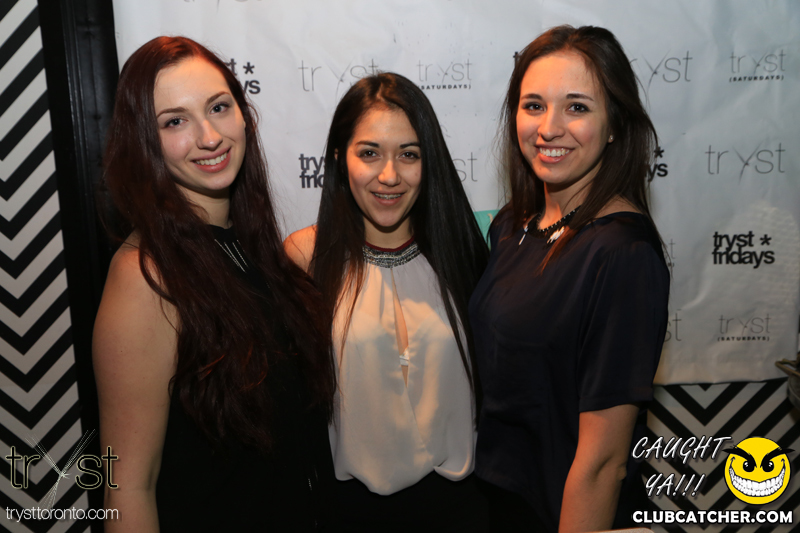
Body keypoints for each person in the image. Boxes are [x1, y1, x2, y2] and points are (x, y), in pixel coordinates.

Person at [93, 36, 336, 532]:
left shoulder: (252, 247)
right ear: (144, 141)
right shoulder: (145, 275)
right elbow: (128, 487)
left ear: (243, 115)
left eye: (218, 107)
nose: (209, 137)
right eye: (174, 121)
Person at [469, 25, 670, 532]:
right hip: (499, 504)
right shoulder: (512, 225)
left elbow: (603, 463)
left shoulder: (622, 254)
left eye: (576, 107)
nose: (549, 128)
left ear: (615, 124)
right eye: (533, 105)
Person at [284, 72, 490, 531]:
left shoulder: (460, 252)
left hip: (459, 512)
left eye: (409, 154)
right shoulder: (305, 257)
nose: (390, 175)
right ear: (339, 158)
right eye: (369, 153)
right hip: (347, 516)